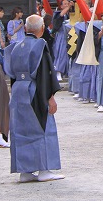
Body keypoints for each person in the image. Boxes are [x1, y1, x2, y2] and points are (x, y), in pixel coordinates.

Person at [4, 14, 63, 182]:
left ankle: (25, 171)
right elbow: (45, 73)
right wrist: (50, 97)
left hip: (17, 91)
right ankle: (44, 170)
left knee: (21, 130)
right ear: (42, 29)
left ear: (25, 28)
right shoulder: (39, 46)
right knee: (42, 128)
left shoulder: (15, 46)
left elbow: (11, 72)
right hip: (34, 90)